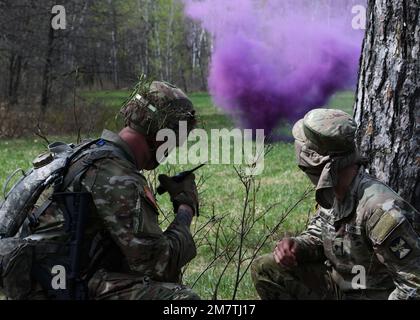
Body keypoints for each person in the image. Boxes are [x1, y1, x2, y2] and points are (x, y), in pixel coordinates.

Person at [26, 80, 200, 300]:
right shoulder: (117, 175)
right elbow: (158, 263)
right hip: (59, 286)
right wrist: (186, 207)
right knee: (181, 301)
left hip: (49, 276)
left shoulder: (91, 152)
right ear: (160, 135)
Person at [251, 108, 420, 300]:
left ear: (319, 163)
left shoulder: (380, 209)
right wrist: (296, 246)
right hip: (340, 289)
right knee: (267, 268)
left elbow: (414, 282)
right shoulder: (332, 193)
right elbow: (319, 236)